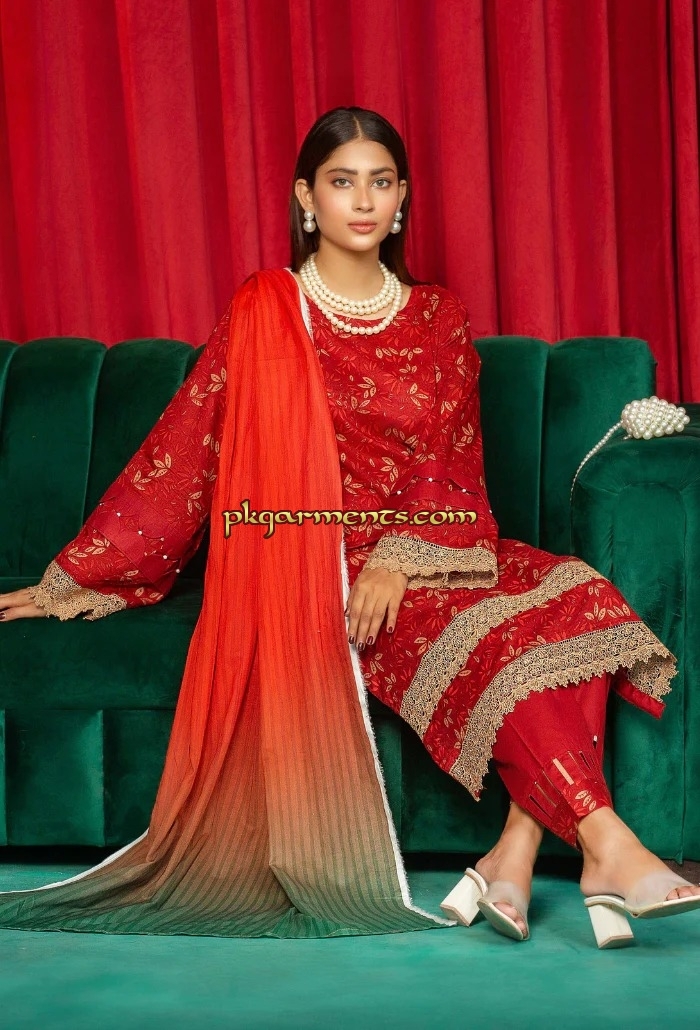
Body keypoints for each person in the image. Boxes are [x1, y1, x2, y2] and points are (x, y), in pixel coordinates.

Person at [0, 106, 698, 948]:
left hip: (431, 552)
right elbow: (187, 450)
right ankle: (601, 846)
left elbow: (449, 461)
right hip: (314, 567)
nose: (363, 201)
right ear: (307, 198)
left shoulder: (438, 317)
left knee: (577, 595)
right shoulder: (268, 310)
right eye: (342, 182)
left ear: (401, 198)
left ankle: (519, 854)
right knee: (492, 637)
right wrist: (78, 576)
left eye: (381, 182)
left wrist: (399, 561)